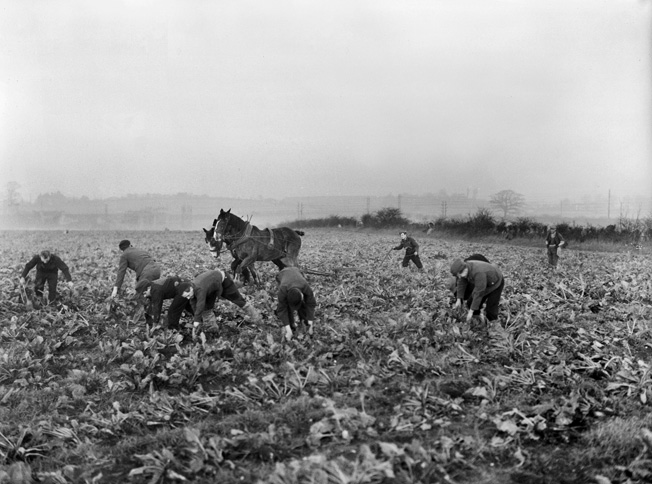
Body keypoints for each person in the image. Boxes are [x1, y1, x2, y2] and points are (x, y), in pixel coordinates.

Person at [167, 269, 261, 330]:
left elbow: (200, 305)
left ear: (191, 288)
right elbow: (193, 304)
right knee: (207, 308)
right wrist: (198, 320)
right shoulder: (191, 290)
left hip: (224, 280)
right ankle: (212, 328)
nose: (188, 298)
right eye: (186, 297)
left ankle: (257, 318)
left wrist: (196, 322)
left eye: (188, 295)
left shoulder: (200, 289)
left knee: (238, 300)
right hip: (212, 287)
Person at [450, 258, 504, 324]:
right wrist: (459, 298)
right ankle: (477, 319)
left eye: (460, 273)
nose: (460, 276)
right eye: (458, 275)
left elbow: (479, 293)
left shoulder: (479, 272)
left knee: (491, 308)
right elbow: (461, 283)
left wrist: (471, 312)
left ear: (465, 268)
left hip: (496, 282)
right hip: (483, 282)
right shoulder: (465, 269)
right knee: (470, 303)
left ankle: (494, 325)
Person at [275, 266, 317, 341]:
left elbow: (310, 304)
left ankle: (304, 322)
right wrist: (288, 330)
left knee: (303, 306)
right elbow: (282, 309)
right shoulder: (282, 290)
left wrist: (310, 325)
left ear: (302, 295)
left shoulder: (305, 286)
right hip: (282, 274)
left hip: (296, 271)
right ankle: (291, 326)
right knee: (286, 307)